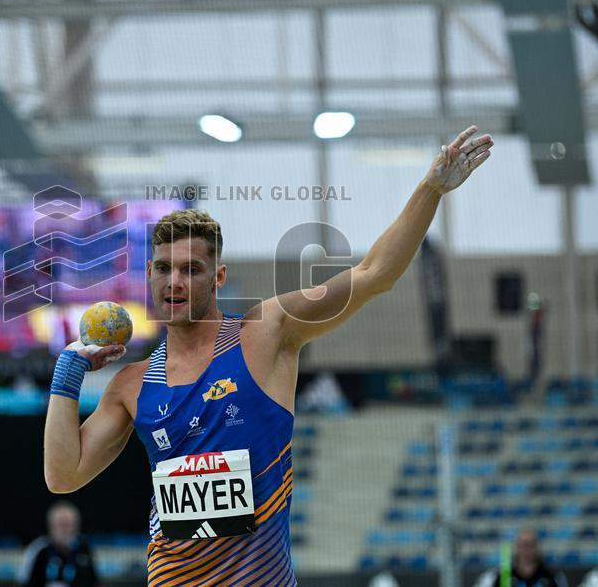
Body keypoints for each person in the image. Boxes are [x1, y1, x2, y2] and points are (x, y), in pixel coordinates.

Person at [44, 127, 494, 585]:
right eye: (163, 268)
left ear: (218, 277)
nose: (174, 282)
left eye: (190, 270)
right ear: (149, 274)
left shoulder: (266, 333)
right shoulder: (133, 385)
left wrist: (430, 190)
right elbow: (62, 476)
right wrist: (68, 373)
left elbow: (373, 274)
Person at [19, 501, 99, 587]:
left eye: (69, 525)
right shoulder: (38, 549)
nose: (66, 530)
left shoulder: (85, 550)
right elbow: (24, 581)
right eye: (61, 525)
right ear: (51, 526)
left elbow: (94, 582)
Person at [488, 529, 568, 587]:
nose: (526, 549)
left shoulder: (551, 576)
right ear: (516, 547)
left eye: (530, 544)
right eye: (523, 545)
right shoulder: (503, 577)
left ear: (537, 547)